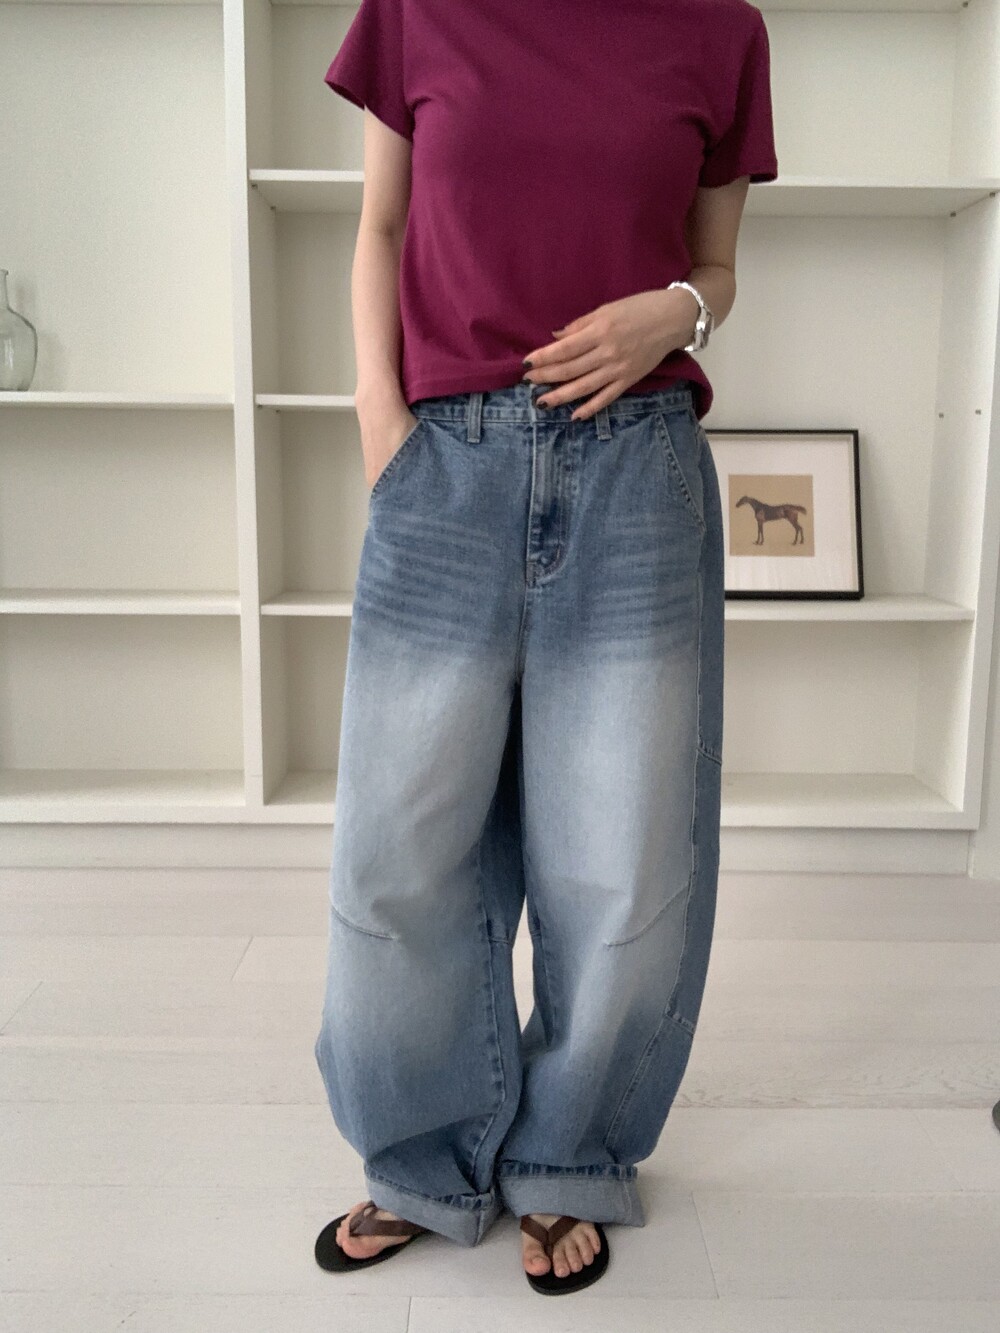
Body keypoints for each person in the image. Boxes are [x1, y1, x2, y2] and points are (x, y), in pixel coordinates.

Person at [312, 0, 778, 1297]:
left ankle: (569, 1150)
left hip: (635, 468)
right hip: (442, 463)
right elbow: (382, 227)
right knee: (399, 848)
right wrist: (380, 418)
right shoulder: (416, 11)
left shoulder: (720, 31)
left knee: (622, 859)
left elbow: (719, 268)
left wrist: (672, 314)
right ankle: (422, 1152)